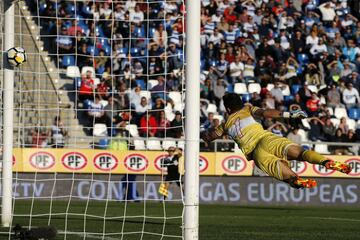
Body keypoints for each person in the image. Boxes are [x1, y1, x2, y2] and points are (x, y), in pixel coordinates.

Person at [201, 93, 352, 189]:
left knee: (290, 178)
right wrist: (290, 114)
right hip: (267, 139)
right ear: (240, 102)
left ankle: (297, 180)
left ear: (227, 109)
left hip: (257, 154)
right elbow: (266, 113)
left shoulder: (224, 125)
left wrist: (202, 135)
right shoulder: (248, 109)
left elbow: (210, 137)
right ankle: (326, 162)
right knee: (301, 153)